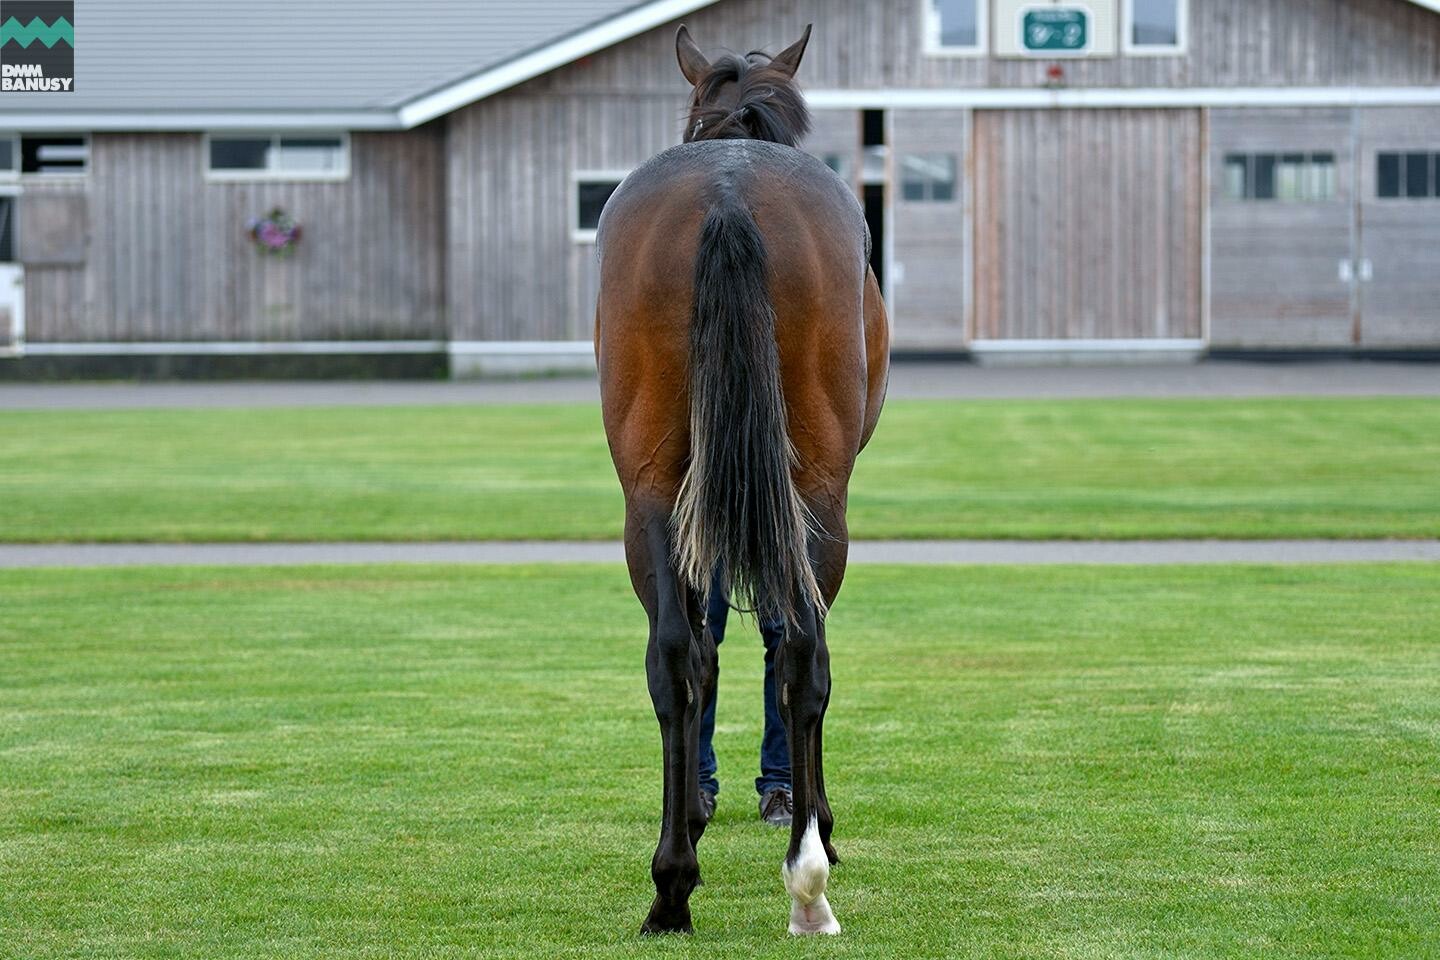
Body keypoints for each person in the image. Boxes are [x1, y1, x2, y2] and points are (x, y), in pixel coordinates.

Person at [696, 565, 793, 827]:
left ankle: (781, 784)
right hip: (707, 527)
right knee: (699, 638)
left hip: (772, 526)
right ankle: (696, 784)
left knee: (784, 638)